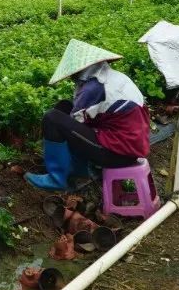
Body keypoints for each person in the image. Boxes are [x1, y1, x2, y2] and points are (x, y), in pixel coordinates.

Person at [25, 39, 150, 191]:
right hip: (130, 144)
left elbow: (75, 124)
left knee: (52, 118)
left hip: (118, 153)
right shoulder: (112, 77)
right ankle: (78, 169)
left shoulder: (94, 87)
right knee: (63, 107)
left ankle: (57, 179)